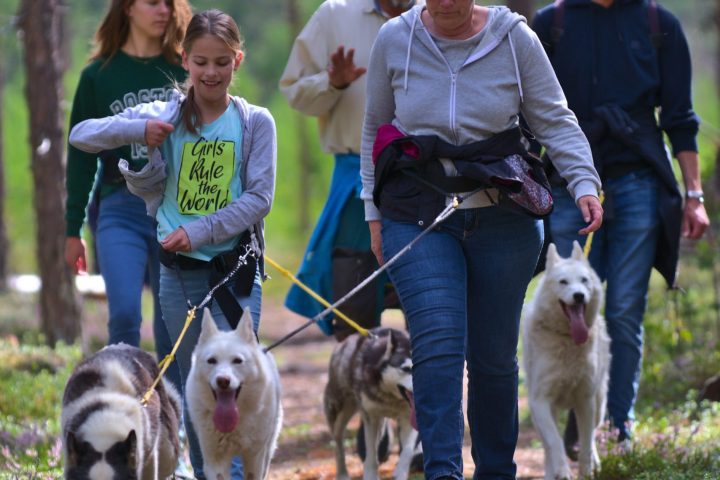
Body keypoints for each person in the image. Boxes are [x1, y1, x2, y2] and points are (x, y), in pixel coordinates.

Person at [360, 1, 603, 478]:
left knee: (493, 359)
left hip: (504, 215)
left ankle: (495, 470)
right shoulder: (395, 38)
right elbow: (375, 128)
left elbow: (554, 118)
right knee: (438, 347)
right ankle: (443, 470)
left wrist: (584, 182)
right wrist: (372, 211)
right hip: (417, 213)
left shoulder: (515, 38)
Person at [69, 10, 277, 479]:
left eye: (222, 62)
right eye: (200, 61)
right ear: (184, 59)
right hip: (178, 274)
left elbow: (259, 198)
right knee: (197, 390)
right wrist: (136, 131)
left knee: (236, 381)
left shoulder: (256, 123)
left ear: (237, 60)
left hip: (235, 271)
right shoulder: (163, 113)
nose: (210, 72)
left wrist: (200, 231)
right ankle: (207, 473)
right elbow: (81, 136)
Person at [531, 0, 710, 446]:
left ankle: (617, 423)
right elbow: (527, 115)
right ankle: (573, 406)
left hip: (639, 181)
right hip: (569, 181)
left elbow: (680, 119)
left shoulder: (659, 24)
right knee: (567, 304)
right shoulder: (549, 25)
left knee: (624, 311)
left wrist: (694, 195)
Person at [64, 0, 192, 392]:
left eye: (169, 4)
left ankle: (173, 428)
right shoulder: (98, 77)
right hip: (119, 209)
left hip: (175, 210)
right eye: (153, 2)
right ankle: (125, 410)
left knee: (173, 325)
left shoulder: (185, 68)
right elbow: (82, 156)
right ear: (127, 8)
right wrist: (73, 229)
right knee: (123, 315)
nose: (164, 11)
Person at [279, 0, 421, 341]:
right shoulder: (335, 14)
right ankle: (355, 386)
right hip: (355, 176)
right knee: (353, 312)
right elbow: (294, 93)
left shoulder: (443, 15)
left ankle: (425, 392)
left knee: (428, 308)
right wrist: (332, 82)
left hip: (428, 178)